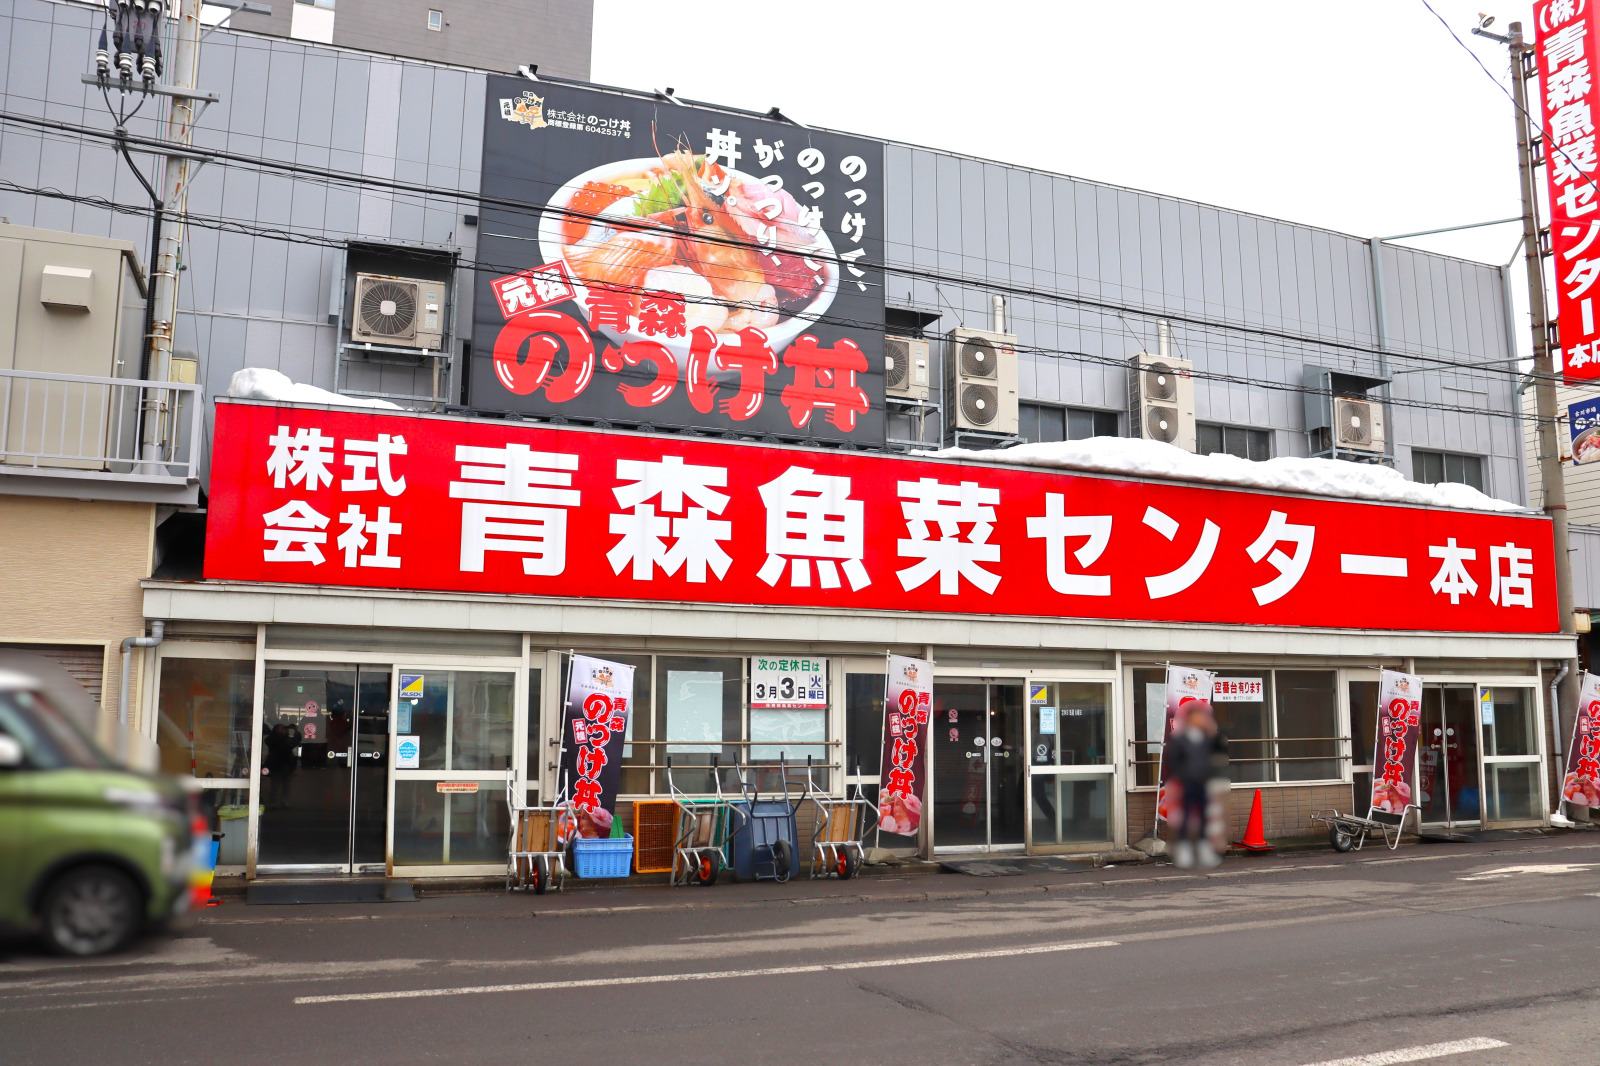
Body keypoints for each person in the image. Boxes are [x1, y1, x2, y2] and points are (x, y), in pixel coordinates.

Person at [1166, 701, 1228, 869]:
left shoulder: (1208, 738)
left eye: (1202, 716)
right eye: (1196, 716)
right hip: (1186, 784)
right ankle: (1184, 851)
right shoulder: (1179, 739)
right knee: (1185, 817)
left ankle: (1204, 849)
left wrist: (1214, 731)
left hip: (1204, 783)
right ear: (1188, 718)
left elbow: (1220, 750)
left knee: (1204, 817)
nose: (1200, 719)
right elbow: (1173, 761)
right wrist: (1182, 778)